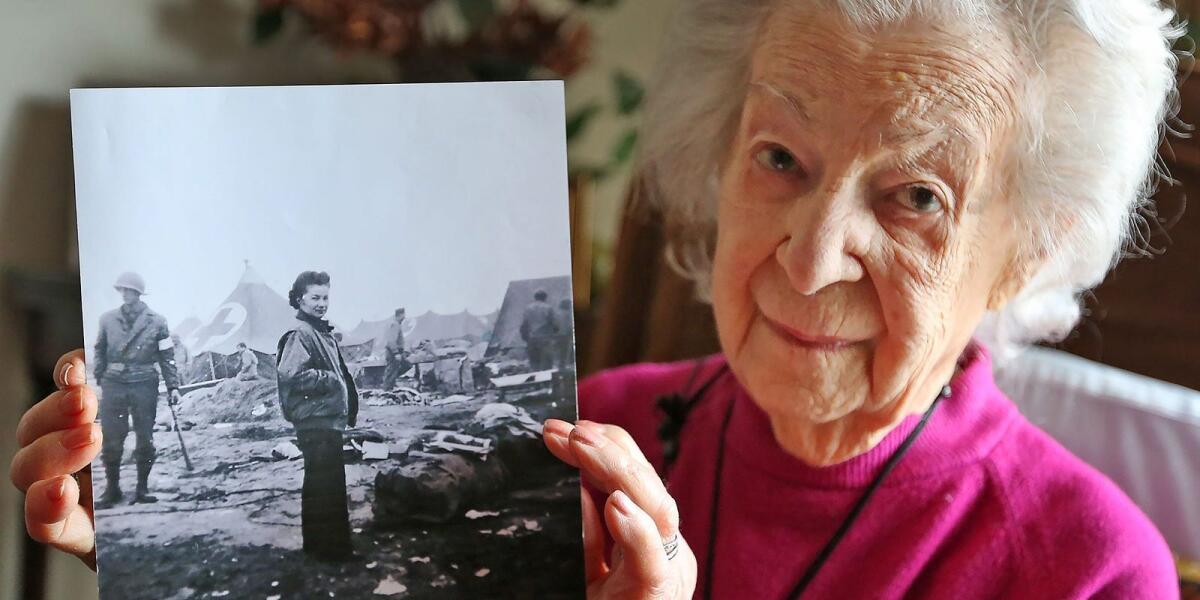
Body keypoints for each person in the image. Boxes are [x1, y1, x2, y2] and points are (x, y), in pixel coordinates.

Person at [9, 2, 1184, 596]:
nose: (810, 256)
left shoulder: (1085, 571)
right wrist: (151, 548)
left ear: (1028, 251)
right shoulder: (583, 435)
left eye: (916, 195)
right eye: (779, 158)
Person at [272, 270, 359, 562]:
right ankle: (331, 551)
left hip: (324, 417)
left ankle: (321, 547)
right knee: (326, 483)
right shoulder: (301, 332)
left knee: (323, 482)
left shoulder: (319, 331)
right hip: (315, 419)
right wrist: (331, 381)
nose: (321, 303)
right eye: (315, 297)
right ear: (300, 299)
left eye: (325, 297)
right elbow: (291, 373)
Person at [92, 272, 183, 508]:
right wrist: (101, 377)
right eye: (121, 290)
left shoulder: (158, 321)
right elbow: (99, 349)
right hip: (114, 383)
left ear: (139, 293)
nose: (124, 294)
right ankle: (112, 490)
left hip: (144, 383)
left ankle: (142, 489)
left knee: (145, 438)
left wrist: (173, 386)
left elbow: (167, 356)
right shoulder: (107, 319)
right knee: (112, 438)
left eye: (129, 290)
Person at [519, 289, 557, 371]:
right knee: (547, 366)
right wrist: (554, 335)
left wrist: (526, 339)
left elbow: (524, 326)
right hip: (545, 340)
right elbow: (555, 325)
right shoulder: (548, 308)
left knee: (535, 365)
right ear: (545, 298)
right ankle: (546, 383)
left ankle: (537, 383)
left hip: (532, 340)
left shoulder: (528, 308)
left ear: (535, 297)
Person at [381, 307, 408, 391]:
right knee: (391, 371)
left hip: (396, 351)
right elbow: (391, 340)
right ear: (400, 315)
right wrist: (396, 353)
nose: (404, 317)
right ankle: (387, 389)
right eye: (404, 315)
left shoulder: (395, 324)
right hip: (393, 352)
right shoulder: (394, 324)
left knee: (404, 366)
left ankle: (390, 385)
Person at [552, 297, 574, 369]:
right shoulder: (568, 314)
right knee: (563, 353)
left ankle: (554, 364)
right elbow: (570, 325)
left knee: (555, 350)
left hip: (557, 335)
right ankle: (562, 366)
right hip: (565, 335)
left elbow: (554, 324)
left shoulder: (556, 313)